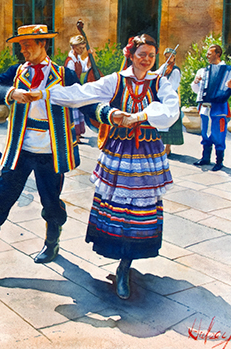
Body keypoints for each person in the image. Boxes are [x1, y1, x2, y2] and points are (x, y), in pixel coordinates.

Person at [29, 34, 179, 300]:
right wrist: (43, 93)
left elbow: (170, 111)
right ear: (131, 55)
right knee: (117, 208)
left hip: (146, 155)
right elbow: (82, 93)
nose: (146, 60)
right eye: (142, 54)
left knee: (139, 209)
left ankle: (126, 266)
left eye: (151, 55)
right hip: (119, 153)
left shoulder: (160, 82)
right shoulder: (116, 80)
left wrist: (142, 115)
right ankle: (120, 260)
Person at [0, 24, 120, 269]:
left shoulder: (65, 75)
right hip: (21, 149)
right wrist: (12, 93)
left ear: (43, 44)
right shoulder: (17, 72)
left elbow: (85, 102)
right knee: (2, 194)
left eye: (28, 45)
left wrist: (109, 114)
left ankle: (51, 243)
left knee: (51, 200)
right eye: (21, 45)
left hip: (51, 151)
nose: (23, 50)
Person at [192, 44, 231, 171]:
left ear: (218, 54)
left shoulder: (229, 71)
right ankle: (205, 158)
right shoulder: (202, 71)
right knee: (205, 134)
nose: (207, 56)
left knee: (219, 136)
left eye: (209, 54)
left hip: (219, 110)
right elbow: (195, 90)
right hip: (205, 108)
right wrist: (195, 82)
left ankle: (219, 162)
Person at [64, 35, 91, 142]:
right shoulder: (70, 61)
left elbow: (84, 68)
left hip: (76, 88)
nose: (82, 50)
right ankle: (75, 135)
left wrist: (90, 57)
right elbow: (71, 77)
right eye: (80, 48)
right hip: (71, 88)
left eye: (83, 48)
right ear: (74, 47)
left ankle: (78, 134)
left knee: (78, 111)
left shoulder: (77, 59)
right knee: (74, 112)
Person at [158, 47, 184, 155]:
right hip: (161, 96)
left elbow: (173, 85)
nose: (168, 58)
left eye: (170, 56)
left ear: (174, 57)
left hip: (170, 97)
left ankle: (168, 147)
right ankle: (160, 146)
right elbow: (157, 76)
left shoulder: (175, 70)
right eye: (166, 56)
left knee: (171, 123)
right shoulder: (163, 67)